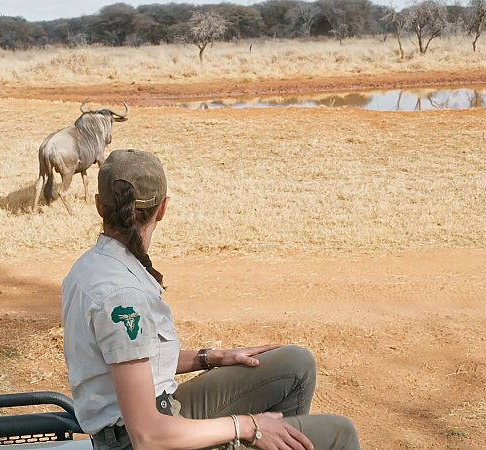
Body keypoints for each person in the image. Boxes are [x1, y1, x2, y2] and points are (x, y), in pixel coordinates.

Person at [62, 149, 360, 450]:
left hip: (154, 413)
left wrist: (210, 357)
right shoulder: (123, 296)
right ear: (163, 208)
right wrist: (247, 426)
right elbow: (147, 436)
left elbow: (130, 361)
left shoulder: (92, 268)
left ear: (100, 206)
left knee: (296, 364)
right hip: (148, 434)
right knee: (340, 433)